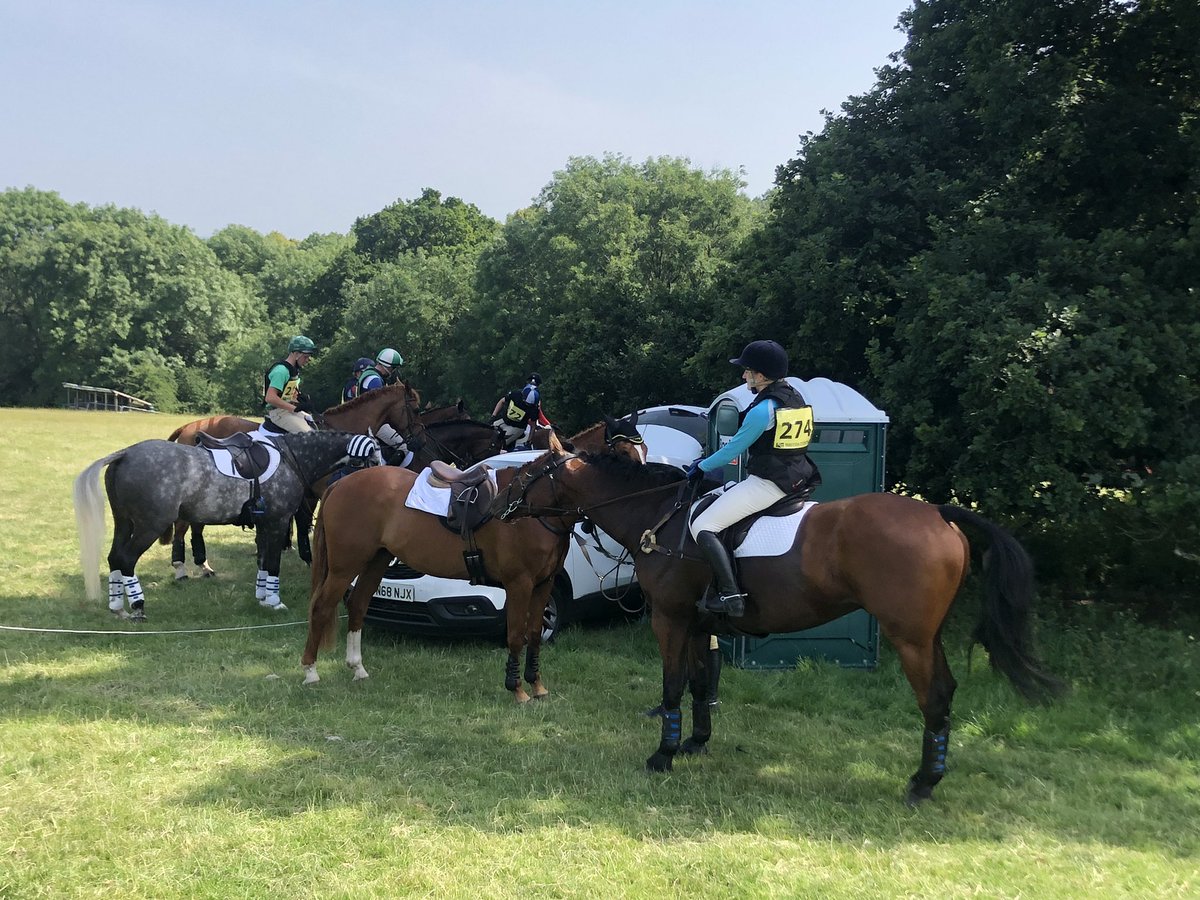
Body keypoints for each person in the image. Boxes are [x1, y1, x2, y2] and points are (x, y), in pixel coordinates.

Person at [686, 340, 821, 616]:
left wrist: (701, 466)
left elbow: (733, 449)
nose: (743, 375)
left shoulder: (762, 411)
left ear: (761, 375)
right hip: (799, 476)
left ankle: (731, 596)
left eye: (747, 371)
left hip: (770, 483)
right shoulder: (795, 397)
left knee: (704, 525)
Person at [263, 335, 318, 433]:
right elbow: (270, 398)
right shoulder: (281, 371)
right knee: (310, 436)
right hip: (278, 413)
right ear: (296, 354)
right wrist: (295, 408)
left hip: (287, 411)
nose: (307, 360)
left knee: (316, 424)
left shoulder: (293, 371)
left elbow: (288, 395)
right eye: (305, 357)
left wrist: (301, 401)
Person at [491, 372, 551, 450]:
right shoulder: (516, 394)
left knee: (498, 443)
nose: (527, 405)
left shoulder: (534, 407)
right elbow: (502, 401)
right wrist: (493, 416)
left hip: (517, 428)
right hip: (504, 421)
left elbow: (533, 425)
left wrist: (529, 441)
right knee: (487, 432)